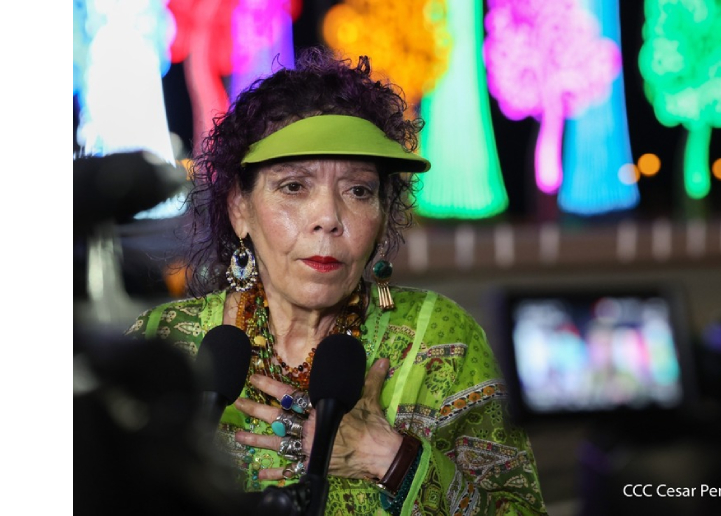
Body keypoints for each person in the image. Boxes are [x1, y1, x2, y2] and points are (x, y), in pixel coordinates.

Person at [126, 46, 548, 515]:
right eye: (294, 186)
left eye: (358, 190)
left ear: (383, 216)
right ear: (239, 209)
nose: (328, 217)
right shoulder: (162, 343)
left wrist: (390, 458)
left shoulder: (440, 340)